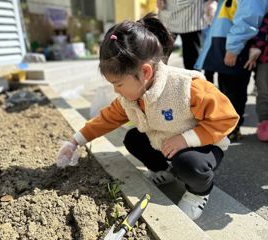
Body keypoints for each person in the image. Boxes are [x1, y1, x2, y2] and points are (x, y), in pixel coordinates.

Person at [56, 13, 239, 220]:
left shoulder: (186, 87)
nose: (116, 91)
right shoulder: (131, 97)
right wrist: (74, 141)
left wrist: (186, 139)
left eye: (118, 84)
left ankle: (199, 192)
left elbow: (227, 119)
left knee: (189, 164)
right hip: (166, 140)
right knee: (133, 139)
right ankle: (165, 170)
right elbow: (105, 119)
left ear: (145, 72)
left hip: (203, 143)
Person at [195, 0, 268, 141]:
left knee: (234, 92)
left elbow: (248, 19)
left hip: (235, 45)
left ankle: (231, 129)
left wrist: (233, 47)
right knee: (226, 91)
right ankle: (226, 128)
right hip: (227, 42)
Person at [156, 0, 206, 70]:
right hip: (167, 11)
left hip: (192, 13)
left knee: (192, 61)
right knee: (159, 57)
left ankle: (194, 80)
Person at [244, 12, 268, 142]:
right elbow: (262, 33)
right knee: (264, 93)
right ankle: (264, 124)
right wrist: (256, 48)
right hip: (266, 60)